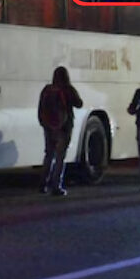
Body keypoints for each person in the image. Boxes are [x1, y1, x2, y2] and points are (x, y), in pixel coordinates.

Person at [37, 66, 83, 196]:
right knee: (60, 157)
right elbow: (79, 103)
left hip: (48, 127)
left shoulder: (47, 90)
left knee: (48, 154)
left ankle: (43, 184)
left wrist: (45, 123)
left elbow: (41, 108)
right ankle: (56, 185)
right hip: (64, 127)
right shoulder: (68, 89)